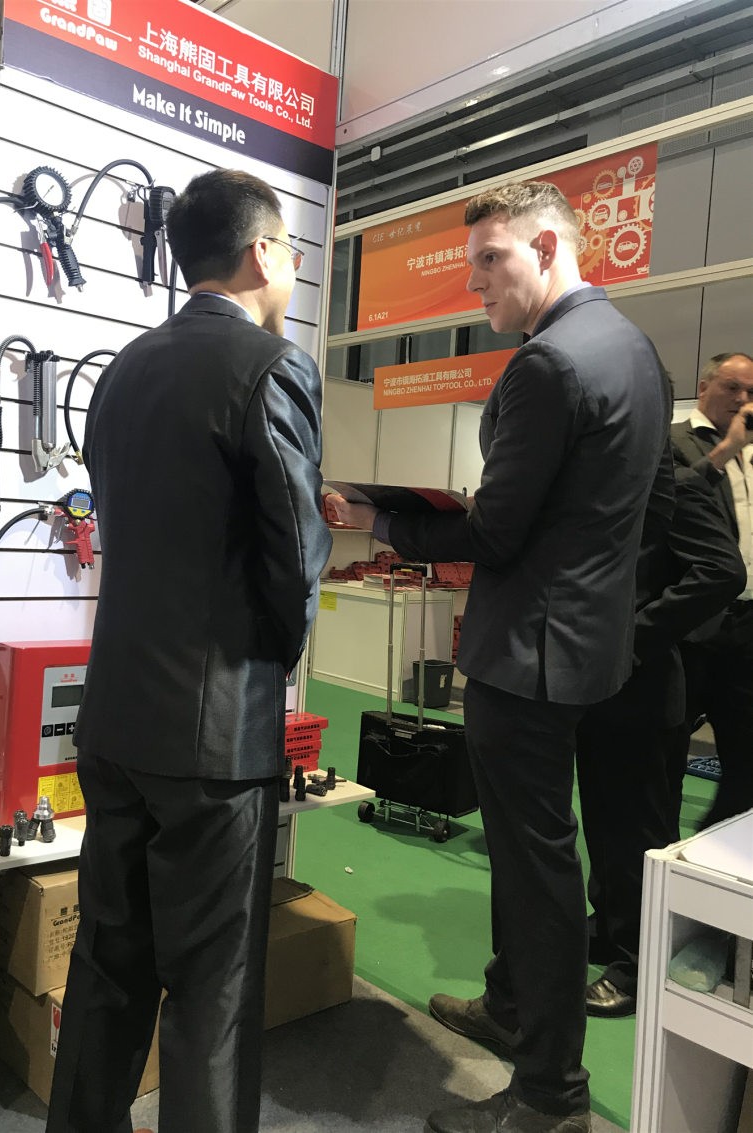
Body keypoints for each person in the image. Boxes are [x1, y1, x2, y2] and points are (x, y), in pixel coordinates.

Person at [327, 179, 669, 1133]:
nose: (475, 282)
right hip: (590, 646)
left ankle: (551, 1093)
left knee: (535, 870)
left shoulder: (548, 363)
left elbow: (496, 532)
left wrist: (380, 518)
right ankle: (511, 1004)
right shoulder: (634, 349)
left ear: (549, 248)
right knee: (543, 855)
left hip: (528, 654)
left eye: (492, 259)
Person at [45, 169, 332, 1133]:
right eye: (292, 248)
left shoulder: (124, 369)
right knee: (213, 988)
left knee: (108, 964)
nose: (293, 265)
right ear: (263, 252)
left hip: (116, 714)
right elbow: (294, 556)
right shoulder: (270, 366)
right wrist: (275, 659)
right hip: (215, 733)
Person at [575, 460, 746, 1019]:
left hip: (644, 685)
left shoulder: (675, 478)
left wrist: (635, 637)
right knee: (605, 819)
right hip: (601, 682)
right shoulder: (612, 470)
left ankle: (638, 961)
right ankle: (613, 926)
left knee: (639, 831)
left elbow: (722, 571)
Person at [669, 352, 753, 829]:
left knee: (746, 753)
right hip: (691, 624)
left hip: (748, 627)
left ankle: (719, 846)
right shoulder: (675, 440)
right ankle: (655, 851)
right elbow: (669, 497)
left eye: (751, 392)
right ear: (703, 388)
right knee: (666, 747)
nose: (742, 399)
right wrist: (727, 449)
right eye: (732, 387)